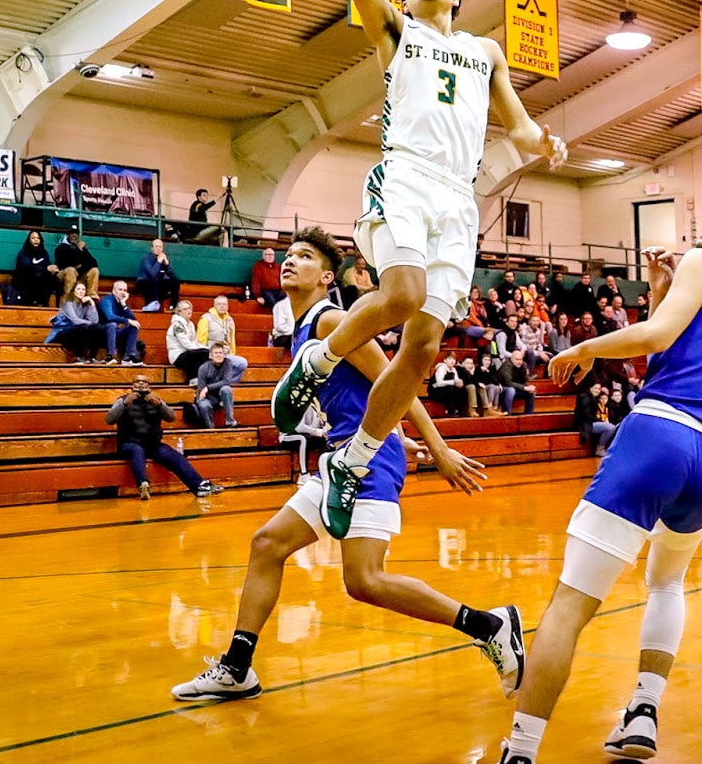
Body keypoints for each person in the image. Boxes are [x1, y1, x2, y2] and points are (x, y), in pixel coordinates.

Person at [271, 0, 567, 541]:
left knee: (427, 344)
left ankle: (355, 459)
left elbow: (519, 123)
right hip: (404, 175)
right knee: (399, 295)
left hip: (457, 198)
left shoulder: (486, 51)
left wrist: (541, 141)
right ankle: (318, 357)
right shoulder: (397, 34)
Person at [497, 191, 702, 764]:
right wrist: (659, 291)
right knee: (666, 583)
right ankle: (644, 711)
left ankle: (522, 751)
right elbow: (673, 352)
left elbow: (655, 340)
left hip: (660, 436)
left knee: (569, 604)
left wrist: (583, 345)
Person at [171, 225, 523, 704]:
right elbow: (366, 394)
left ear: (325, 277)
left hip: (367, 457)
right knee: (268, 543)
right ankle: (237, 668)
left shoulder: (330, 322)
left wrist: (437, 449)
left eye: (304, 256)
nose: (290, 261)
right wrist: (403, 438)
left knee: (365, 580)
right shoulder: (299, 329)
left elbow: (397, 378)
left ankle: (489, 625)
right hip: (342, 453)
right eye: (288, 255)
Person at [106, 375, 220, 499]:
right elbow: (109, 419)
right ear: (132, 386)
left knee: (173, 455)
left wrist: (160, 405)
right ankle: (143, 484)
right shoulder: (122, 399)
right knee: (137, 450)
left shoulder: (156, 400)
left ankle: (199, 486)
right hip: (129, 443)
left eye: (144, 382)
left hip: (152, 444)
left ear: (149, 385)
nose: (140, 384)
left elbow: (171, 417)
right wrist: (124, 403)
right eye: (137, 382)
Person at [47, 282, 104, 363]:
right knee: (83, 327)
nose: (81, 291)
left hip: (78, 330)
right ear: (73, 291)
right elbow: (75, 321)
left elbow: (95, 321)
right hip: (63, 331)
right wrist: (90, 323)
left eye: (83, 289)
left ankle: (92, 357)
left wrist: (91, 303)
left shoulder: (86, 304)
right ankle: (78, 356)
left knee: (97, 328)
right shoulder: (68, 303)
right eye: (78, 289)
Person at [279, 401, 329, 483]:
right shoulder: (299, 405)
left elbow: (317, 426)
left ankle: (325, 472)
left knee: (328, 439)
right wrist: (319, 432)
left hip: (308, 435)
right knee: (303, 439)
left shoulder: (318, 405)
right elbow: (299, 427)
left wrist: (325, 430)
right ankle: (303, 474)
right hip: (288, 436)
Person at [193, 344, 240, 428]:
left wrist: (208, 387)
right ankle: (211, 430)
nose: (219, 355)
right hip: (208, 397)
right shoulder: (203, 368)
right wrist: (205, 391)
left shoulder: (228, 363)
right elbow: (201, 389)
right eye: (216, 353)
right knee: (204, 405)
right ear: (211, 356)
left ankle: (230, 421)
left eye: (220, 353)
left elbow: (227, 381)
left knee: (226, 389)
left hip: (221, 396)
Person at [98, 281, 141, 365]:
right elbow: (109, 316)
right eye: (120, 289)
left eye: (125, 290)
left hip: (114, 332)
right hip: (101, 332)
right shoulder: (106, 300)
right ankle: (111, 356)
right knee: (113, 324)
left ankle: (129, 356)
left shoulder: (122, 302)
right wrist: (127, 320)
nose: (122, 292)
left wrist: (124, 304)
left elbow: (133, 319)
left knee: (133, 327)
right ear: (114, 291)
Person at [12, 230, 58, 307]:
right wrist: (45, 269)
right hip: (24, 281)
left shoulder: (43, 252)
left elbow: (47, 265)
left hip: (40, 280)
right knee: (37, 275)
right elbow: (27, 268)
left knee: (50, 277)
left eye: (38, 238)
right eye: (33, 238)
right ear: (29, 240)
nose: (36, 240)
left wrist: (53, 269)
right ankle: (32, 301)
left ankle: (43, 302)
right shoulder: (24, 252)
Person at [165, 300, 209, 380]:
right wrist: (201, 350)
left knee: (209, 352)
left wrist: (207, 348)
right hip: (178, 355)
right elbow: (186, 344)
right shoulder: (177, 325)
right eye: (185, 309)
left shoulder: (190, 324)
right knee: (202, 354)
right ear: (179, 312)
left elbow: (195, 342)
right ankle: (193, 378)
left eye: (189, 308)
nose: (188, 311)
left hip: (189, 351)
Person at [136, 238, 181, 312]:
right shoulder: (146, 259)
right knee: (154, 280)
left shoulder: (164, 259)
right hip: (144, 283)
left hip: (157, 284)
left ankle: (174, 306)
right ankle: (153, 303)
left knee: (175, 281)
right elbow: (152, 274)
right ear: (152, 248)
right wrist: (159, 261)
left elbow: (173, 275)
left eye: (160, 247)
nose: (158, 249)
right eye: (156, 246)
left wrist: (167, 263)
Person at [574, 378, 615, 455]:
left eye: (599, 389)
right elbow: (588, 414)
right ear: (590, 388)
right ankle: (600, 448)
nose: (597, 390)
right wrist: (601, 420)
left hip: (591, 422)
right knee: (611, 428)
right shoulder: (585, 398)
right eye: (595, 388)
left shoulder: (594, 398)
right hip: (585, 424)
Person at [54, 232, 100, 300]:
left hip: (78, 276)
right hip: (62, 276)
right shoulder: (61, 247)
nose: (74, 235)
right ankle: (69, 299)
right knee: (71, 270)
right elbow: (65, 263)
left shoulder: (80, 248)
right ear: (67, 235)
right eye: (72, 233)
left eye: (76, 234)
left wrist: (81, 250)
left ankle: (91, 297)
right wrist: (79, 260)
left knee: (94, 270)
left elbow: (93, 263)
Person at [495, 349, 538, 416]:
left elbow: (525, 380)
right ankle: (508, 414)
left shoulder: (524, 365)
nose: (519, 362)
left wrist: (529, 387)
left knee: (531, 393)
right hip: (502, 390)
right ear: (512, 359)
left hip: (517, 388)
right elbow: (508, 383)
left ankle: (529, 416)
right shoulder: (506, 366)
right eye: (517, 359)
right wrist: (524, 388)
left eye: (521, 359)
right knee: (511, 390)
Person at [431, 352, 467, 417]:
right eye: (450, 359)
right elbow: (439, 383)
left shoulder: (454, 370)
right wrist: (454, 382)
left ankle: (458, 409)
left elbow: (456, 380)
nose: (452, 361)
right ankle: (449, 410)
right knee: (450, 389)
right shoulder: (441, 368)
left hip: (447, 388)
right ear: (445, 360)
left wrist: (459, 382)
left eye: (453, 359)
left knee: (462, 389)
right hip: (436, 390)